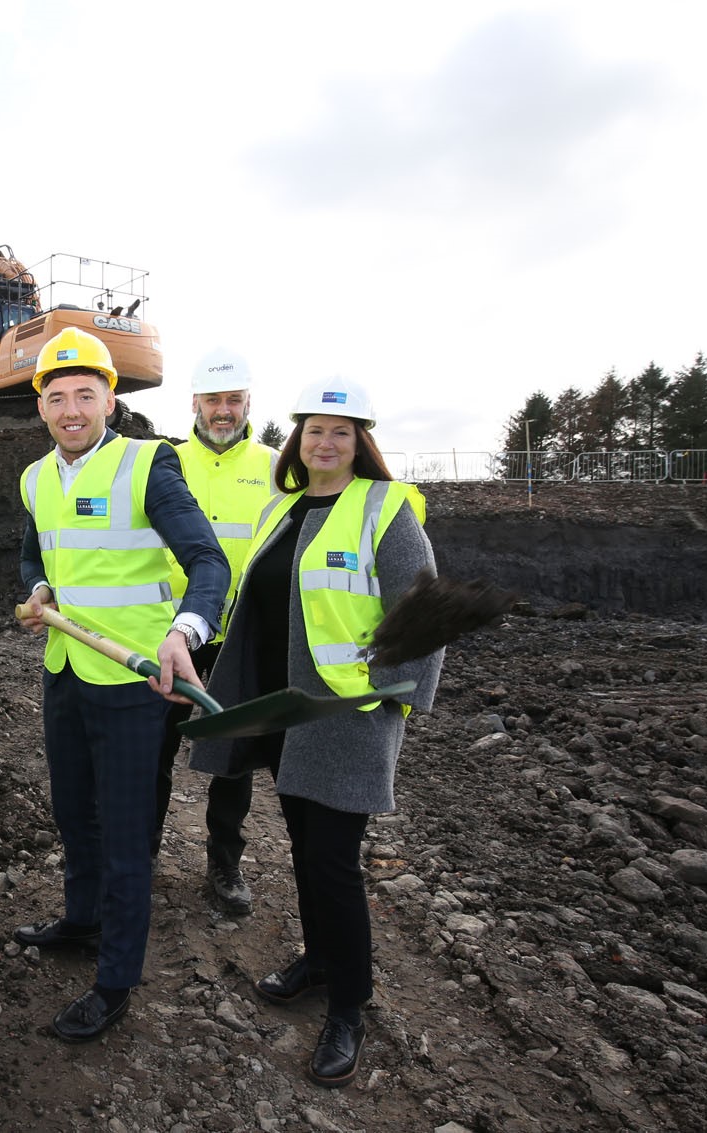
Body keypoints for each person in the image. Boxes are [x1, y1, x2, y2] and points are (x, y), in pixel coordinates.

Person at [188, 378, 443, 1089]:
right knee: (304, 844)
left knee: (334, 859)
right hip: (287, 712)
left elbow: (423, 616)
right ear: (296, 439)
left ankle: (349, 1006)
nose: (324, 443)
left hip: (349, 716)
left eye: (340, 432)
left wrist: (399, 705)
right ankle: (320, 959)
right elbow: (259, 608)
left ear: (360, 441)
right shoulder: (284, 507)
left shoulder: (384, 509)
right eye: (312, 430)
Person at [14, 328, 229, 1043]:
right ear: (40, 406)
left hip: (134, 683)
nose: (71, 408)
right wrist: (38, 587)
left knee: (125, 836)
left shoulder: (147, 466)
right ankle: (81, 921)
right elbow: (33, 555)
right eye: (56, 396)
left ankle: (114, 981)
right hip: (66, 674)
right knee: (75, 814)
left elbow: (207, 560)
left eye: (85, 394)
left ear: (111, 397)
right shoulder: (34, 477)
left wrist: (183, 633)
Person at [153, 348, 278, 915]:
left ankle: (224, 861)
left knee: (235, 754)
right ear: (195, 404)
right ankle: (143, 850)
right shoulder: (165, 462)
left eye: (233, 401)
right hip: (169, 630)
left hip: (240, 634)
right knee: (153, 746)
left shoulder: (279, 469)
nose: (222, 412)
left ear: (248, 402)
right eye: (213, 401)